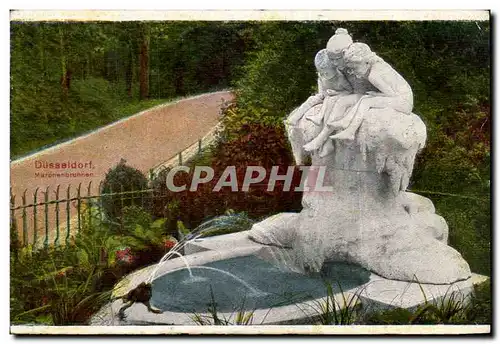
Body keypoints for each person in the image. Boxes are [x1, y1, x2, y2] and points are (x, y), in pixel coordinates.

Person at [329, 42, 414, 142]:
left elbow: (391, 95)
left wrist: (376, 95)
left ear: (366, 62)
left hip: (403, 102)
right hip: (400, 98)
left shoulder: (373, 75)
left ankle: (350, 131)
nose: (354, 73)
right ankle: (345, 121)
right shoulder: (377, 65)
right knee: (365, 98)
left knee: (367, 101)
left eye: (355, 69)